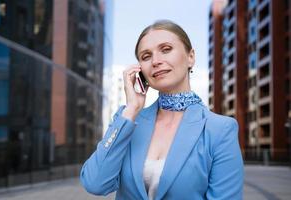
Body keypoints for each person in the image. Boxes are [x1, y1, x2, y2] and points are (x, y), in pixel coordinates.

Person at [80, 19, 244, 200]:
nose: (156, 61)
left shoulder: (220, 130)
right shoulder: (128, 121)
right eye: (146, 56)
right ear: (140, 70)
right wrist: (132, 109)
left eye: (166, 49)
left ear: (190, 57)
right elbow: (94, 183)